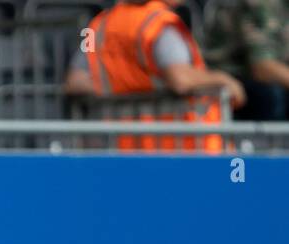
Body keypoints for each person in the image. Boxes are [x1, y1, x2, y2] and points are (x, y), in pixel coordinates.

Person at [63, 0, 245, 151]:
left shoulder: (98, 27)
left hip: (125, 148)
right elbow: (180, 79)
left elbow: (75, 81)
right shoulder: (160, 23)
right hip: (185, 147)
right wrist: (223, 79)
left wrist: (122, 86)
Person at [206, 0, 289, 120]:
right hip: (230, 76)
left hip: (268, 74)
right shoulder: (260, 4)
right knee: (272, 95)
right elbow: (262, 67)